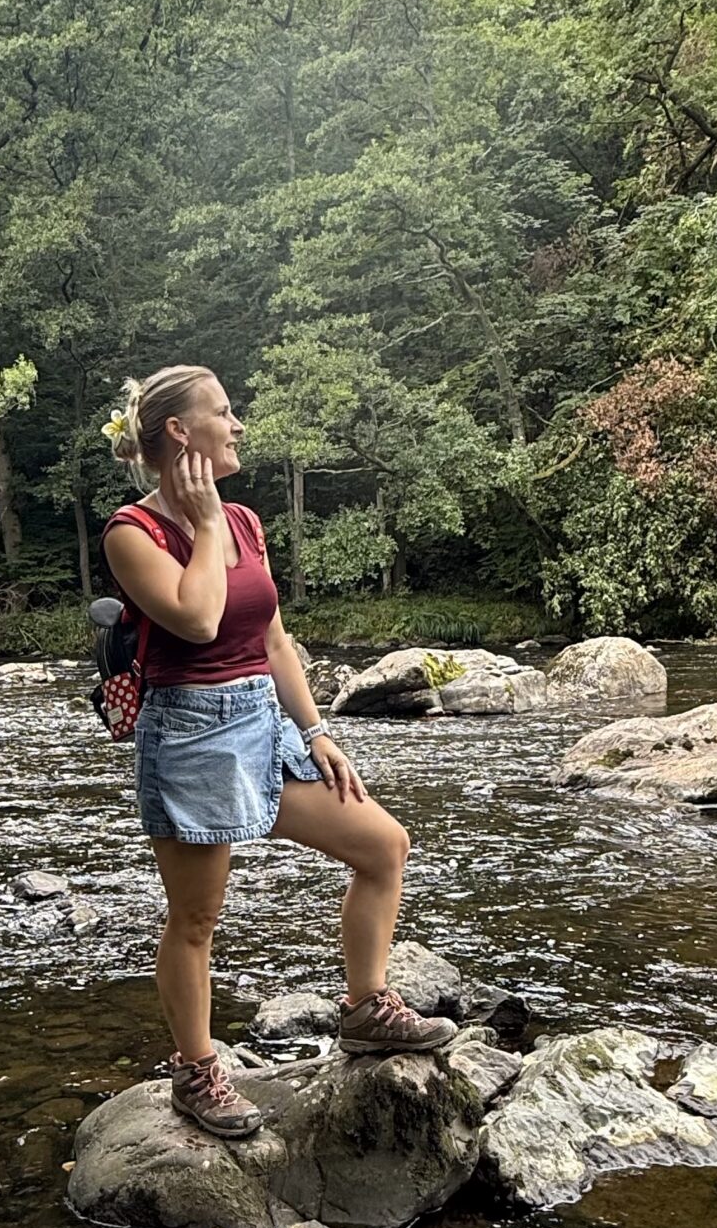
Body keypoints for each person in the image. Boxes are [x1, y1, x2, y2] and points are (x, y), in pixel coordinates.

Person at [101, 363, 454, 1139]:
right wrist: (202, 523)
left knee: (384, 846)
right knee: (196, 919)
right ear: (179, 434)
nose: (238, 426)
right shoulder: (132, 533)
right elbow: (197, 620)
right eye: (224, 413)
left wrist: (318, 730)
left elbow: (271, 637)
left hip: (265, 723)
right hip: (191, 736)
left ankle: (365, 1009)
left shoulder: (250, 521)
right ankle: (196, 1073)